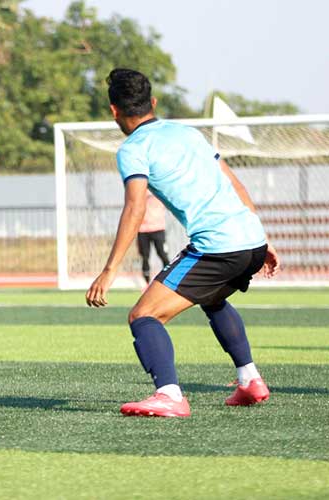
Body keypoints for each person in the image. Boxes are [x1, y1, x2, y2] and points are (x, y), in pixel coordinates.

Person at [85, 69, 280, 417]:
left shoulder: (132, 149)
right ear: (153, 103)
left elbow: (135, 206)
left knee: (143, 315)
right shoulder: (188, 133)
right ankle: (250, 380)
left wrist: (108, 271)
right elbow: (233, 182)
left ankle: (170, 395)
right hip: (251, 238)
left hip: (217, 246)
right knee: (214, 298)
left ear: (114, 110)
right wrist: (260, 238)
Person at [137, 192, 171, 283]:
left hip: (158, 228)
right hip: (142, 230)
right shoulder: (140, 187)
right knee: (145, 257)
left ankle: (168, 280)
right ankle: (146, 283)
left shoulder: (160, 187)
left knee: (163, 254)